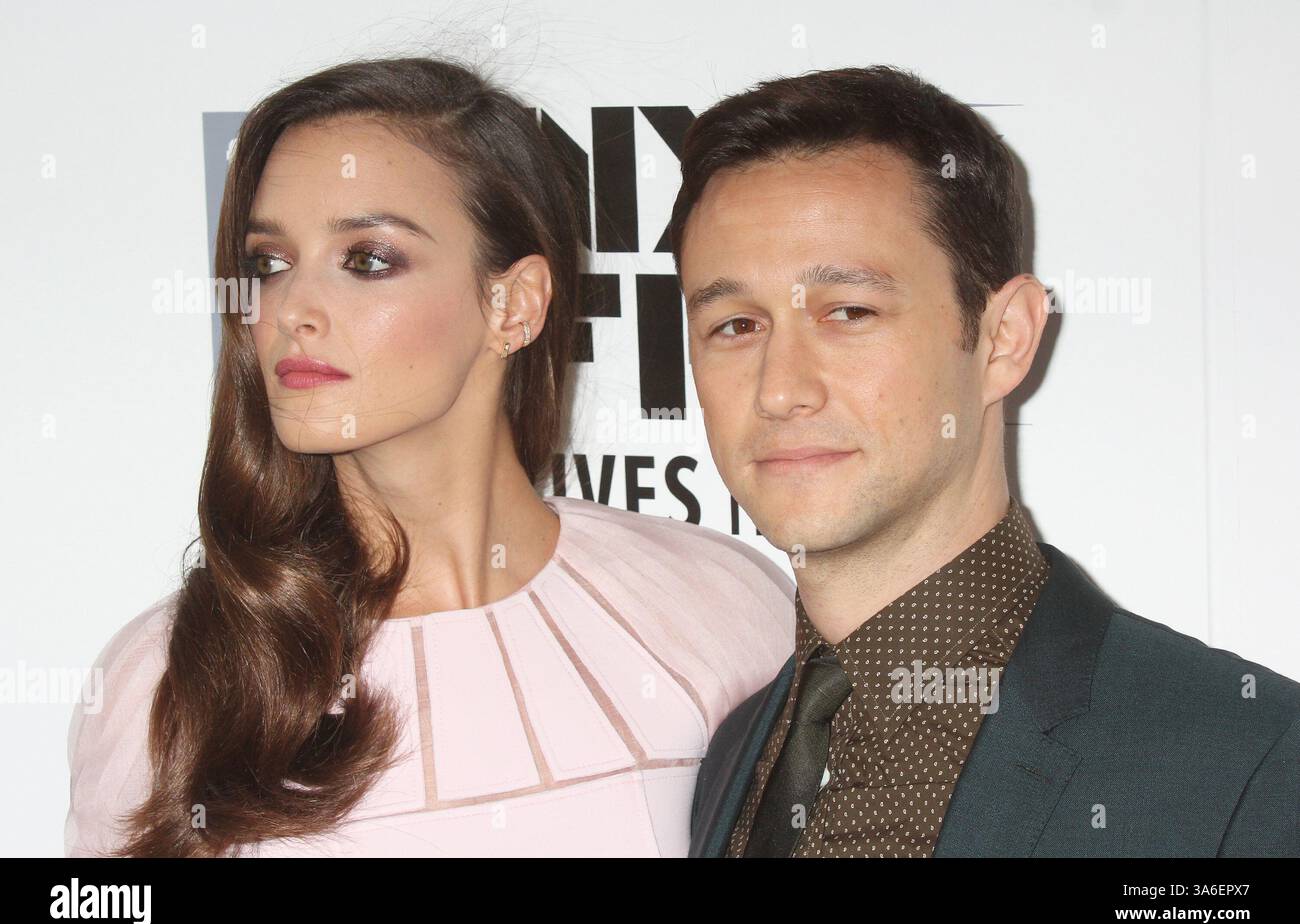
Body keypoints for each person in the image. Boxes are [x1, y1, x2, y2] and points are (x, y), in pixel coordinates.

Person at [65, 56, 793, 857]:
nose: (289, 311)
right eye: (268, 264)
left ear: (511, 304)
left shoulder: (720, 609)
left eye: (368, 259)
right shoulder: (173, 680)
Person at [669, 65, 1300, 857]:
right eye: (734, 325)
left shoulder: (1253, 765)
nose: (780, 391)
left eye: (850, 312)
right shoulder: (733, 752)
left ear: (1004, 337)